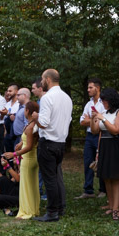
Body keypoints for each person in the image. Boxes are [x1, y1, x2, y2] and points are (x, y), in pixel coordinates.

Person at [88, 88, 119, 220]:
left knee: (116, 177)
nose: (102, 103)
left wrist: (103, 119)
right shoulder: (105, 112)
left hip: (116, 147)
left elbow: (116, 130)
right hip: (104, 146)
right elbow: (95, 131)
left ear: (111, 99)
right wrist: (93, 119)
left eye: (104, 100)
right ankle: (110, 204)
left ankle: (116, 209)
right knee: (106, 176)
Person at [35, 69, 73, 222]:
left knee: (49, 178)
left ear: (48, 79)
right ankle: (60, 207)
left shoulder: (47, 98)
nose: (41, 82)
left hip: (48, 143)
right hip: (61, 143)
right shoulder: (66, 98)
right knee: (56, 177)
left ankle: (52, 212)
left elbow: (43, 123)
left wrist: (35, 118)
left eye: (42, 79)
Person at [8, 101, 40, 219]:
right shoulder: (33, 124)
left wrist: (14, 154)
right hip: (33, 158)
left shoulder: (30, 127)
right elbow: (27, 140)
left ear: (27, 111)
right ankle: (33, 208)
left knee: (26, 186)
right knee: (32, 185)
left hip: (28, 158)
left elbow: (29, 146)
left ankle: (27, 210)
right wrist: (21, 142)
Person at [77, 78, 106, 200]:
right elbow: (82, 121)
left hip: (101, 135)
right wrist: (94, 120)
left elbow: (104, 121)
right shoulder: (89, 104)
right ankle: (88, 190)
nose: (88, 90)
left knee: (102, 162)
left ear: (97, 88)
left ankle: (103, 189)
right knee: (88, 161)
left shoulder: (104, 103)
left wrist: (92, 119)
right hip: (89, 137)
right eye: (88, 87)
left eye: (90, 87)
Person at [2, 83, 20, 154]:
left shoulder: (19, 104)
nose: (8, 93)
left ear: (16, 91)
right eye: (7, 91)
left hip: (16, 134)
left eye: (10, 91)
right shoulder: (7, 104)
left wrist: (8, 114)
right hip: (8, 133)